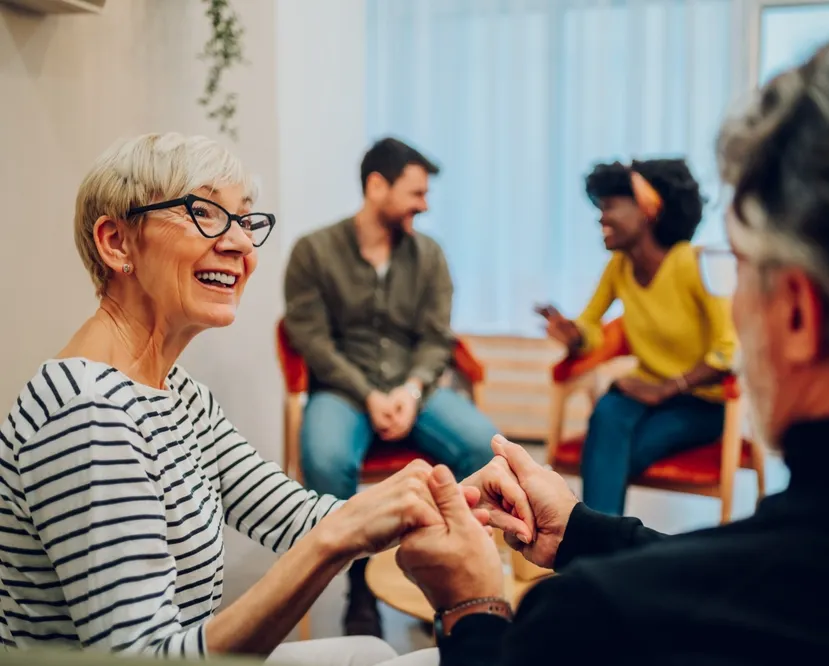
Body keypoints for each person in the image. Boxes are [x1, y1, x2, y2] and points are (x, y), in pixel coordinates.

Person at [396, 21, 829, 665]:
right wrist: (580, 532)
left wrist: (472, 606)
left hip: (696, 395)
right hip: (637, 418)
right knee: (612, 411)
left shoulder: (597, 622)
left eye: (741, 269)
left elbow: (736, 581)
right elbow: (756, 584)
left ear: (798, 312)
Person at [0, 133, 529, 664]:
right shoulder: (85, 415)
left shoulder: (180, 394)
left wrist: (452, 498)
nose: (241, 246)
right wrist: (338, 538)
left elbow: (291, 516)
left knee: (371, 651)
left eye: (245, 222)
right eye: (205, 213)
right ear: (117, 243)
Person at [283, 137, 497, 636]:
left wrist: (412, 389)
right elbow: (311, 341)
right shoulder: (312, 252)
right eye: (416, 193)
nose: (424, 205)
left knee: (482, 446)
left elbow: (436, 338)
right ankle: (360, 588)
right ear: (376, 186)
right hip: (342, 389)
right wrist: (368, 393)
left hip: (413, 391)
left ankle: (452, 583)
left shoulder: (429, 256)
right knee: (326, 459)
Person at [536, 158, 736, 515]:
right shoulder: (619, 268)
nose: (601, 218)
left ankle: (593, 551)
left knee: (611, 454)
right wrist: (575, 337)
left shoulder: (692, 263)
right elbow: (591, 328)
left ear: (648, 209)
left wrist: (666, 389)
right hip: (643, 392)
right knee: (607, 415)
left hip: (700, 401)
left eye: (610, 206)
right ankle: (596, 554)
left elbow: (728, 351)